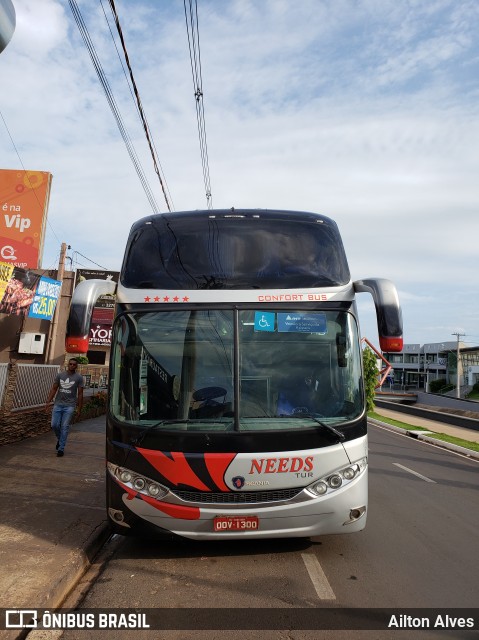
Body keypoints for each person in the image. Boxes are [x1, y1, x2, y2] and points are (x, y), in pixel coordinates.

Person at [45, 358, 84, 457]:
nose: (71, 366)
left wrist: (79, 408)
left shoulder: (79, 378)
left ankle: (61, 449)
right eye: (70, 364)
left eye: (74, 364)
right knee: (54, 425)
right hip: (58, 404)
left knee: (65, 427)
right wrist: (48, 402)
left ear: (76, 366)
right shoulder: (60, 375)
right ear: (68, 364)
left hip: (70, 406)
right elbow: (54, 388)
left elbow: (80, 394)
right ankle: (60, 439)